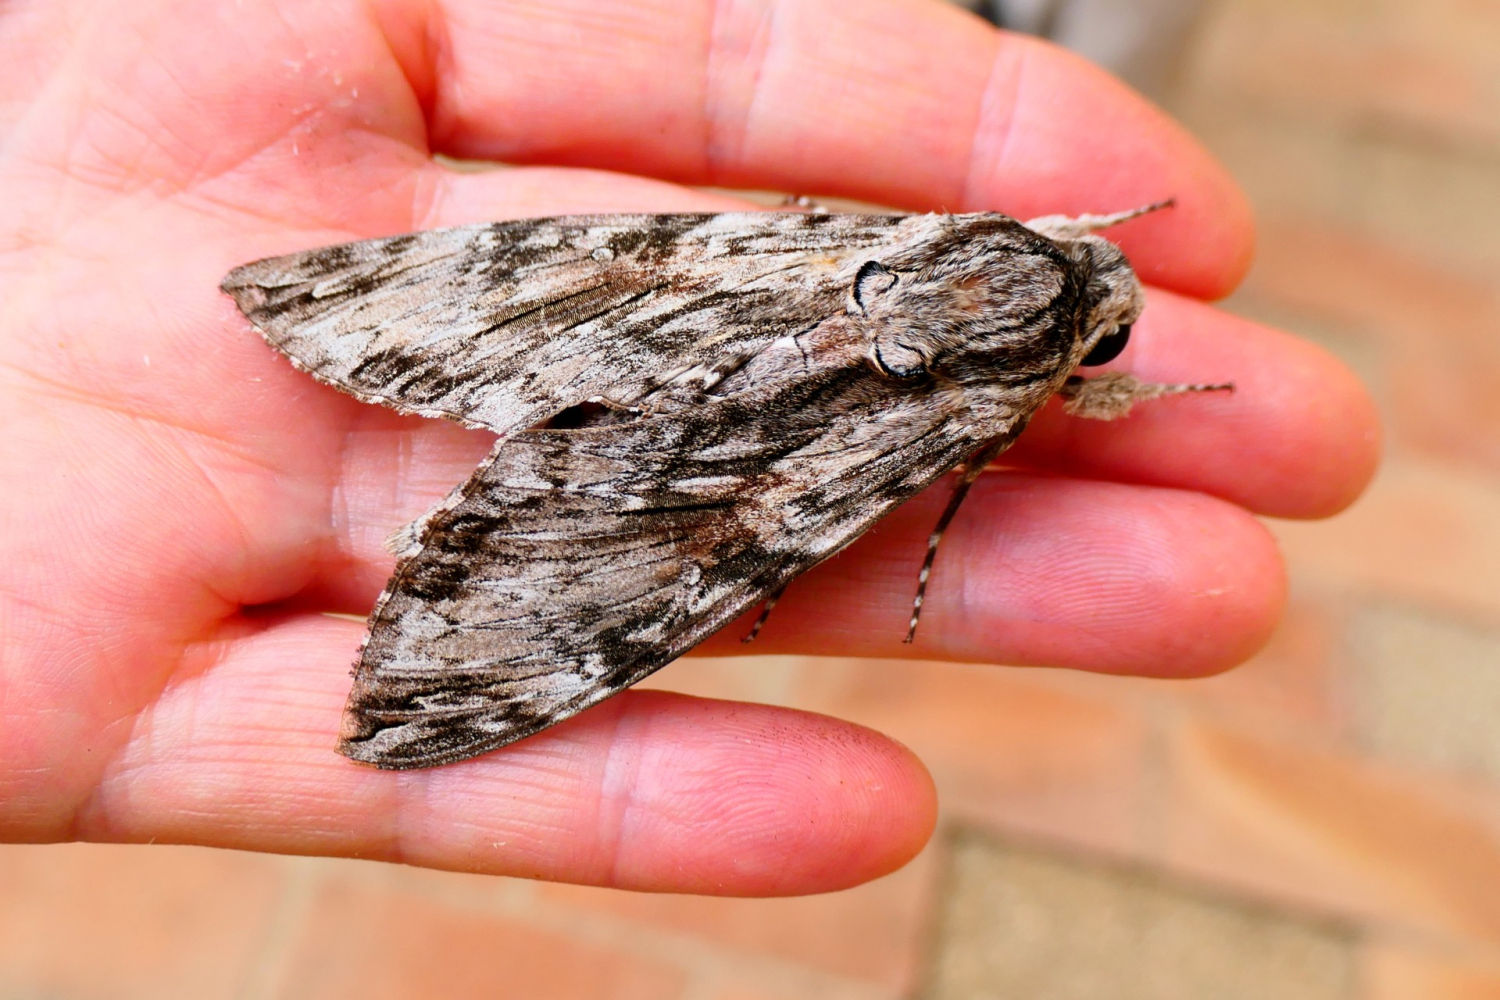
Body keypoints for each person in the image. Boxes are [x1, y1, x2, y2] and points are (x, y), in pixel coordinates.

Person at [0, 0, 1377, 894]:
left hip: (757, 274)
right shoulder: (983, 416)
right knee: (715, 534)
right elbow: (948, 486)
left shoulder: (902, 263)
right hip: (781, 447)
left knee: (602, 282)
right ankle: (387, 440)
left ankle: (370, 364)